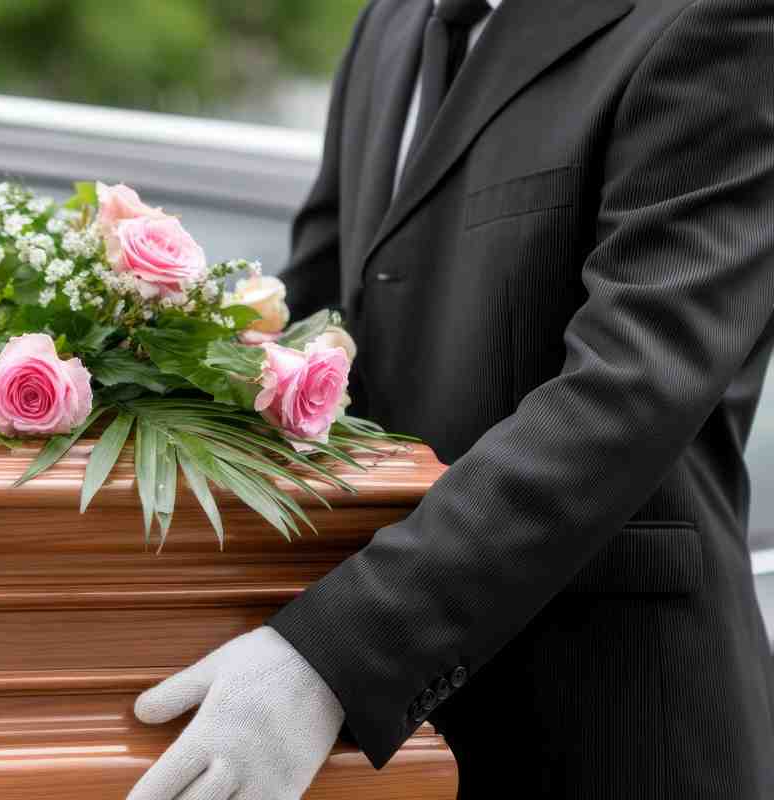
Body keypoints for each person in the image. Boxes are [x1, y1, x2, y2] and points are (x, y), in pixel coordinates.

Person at [127, 0, 774, 798]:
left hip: (607, 723)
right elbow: (316, 322)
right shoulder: (392, 22)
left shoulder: (718, 22)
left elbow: (628, 392)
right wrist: (121, 365)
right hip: (379, 746)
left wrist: (334, 654)